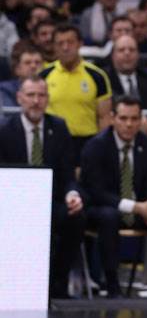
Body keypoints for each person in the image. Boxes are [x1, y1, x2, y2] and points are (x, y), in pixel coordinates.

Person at [80, 95, 147, 298]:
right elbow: (95, 192)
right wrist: (136, 207)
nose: (129, 124)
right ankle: (111, 285)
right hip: (102, 207)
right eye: (124, 118)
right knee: (109, 217)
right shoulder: (96, 146)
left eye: (134, 119)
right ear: (112, 118)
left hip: (139, 208)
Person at [0, 76, 84, 298]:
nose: (36, 101)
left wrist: (72, 194)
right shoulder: (5, 130)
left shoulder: (59, 127)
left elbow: (68, 173)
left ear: (48, 99)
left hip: (51, 202)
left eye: (41, 95)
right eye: (30, 95)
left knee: (74, 216)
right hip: (13, 205)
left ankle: (58, 283)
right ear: (19, 98)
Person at [39, 23, 112, 162]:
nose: (65, 47)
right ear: (54, 47)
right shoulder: (44, 75)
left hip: (88, 143)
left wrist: (104, 147)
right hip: (53, 143)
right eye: (60, 43)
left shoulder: (97, 76)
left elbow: (104, 117)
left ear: (80, 44)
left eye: (70, 42)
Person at [106, 35, 147, 110]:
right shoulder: (104, 78)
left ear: (138, 54)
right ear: (113, 55)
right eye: (121, 50)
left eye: (132, 50)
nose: (127, 53)